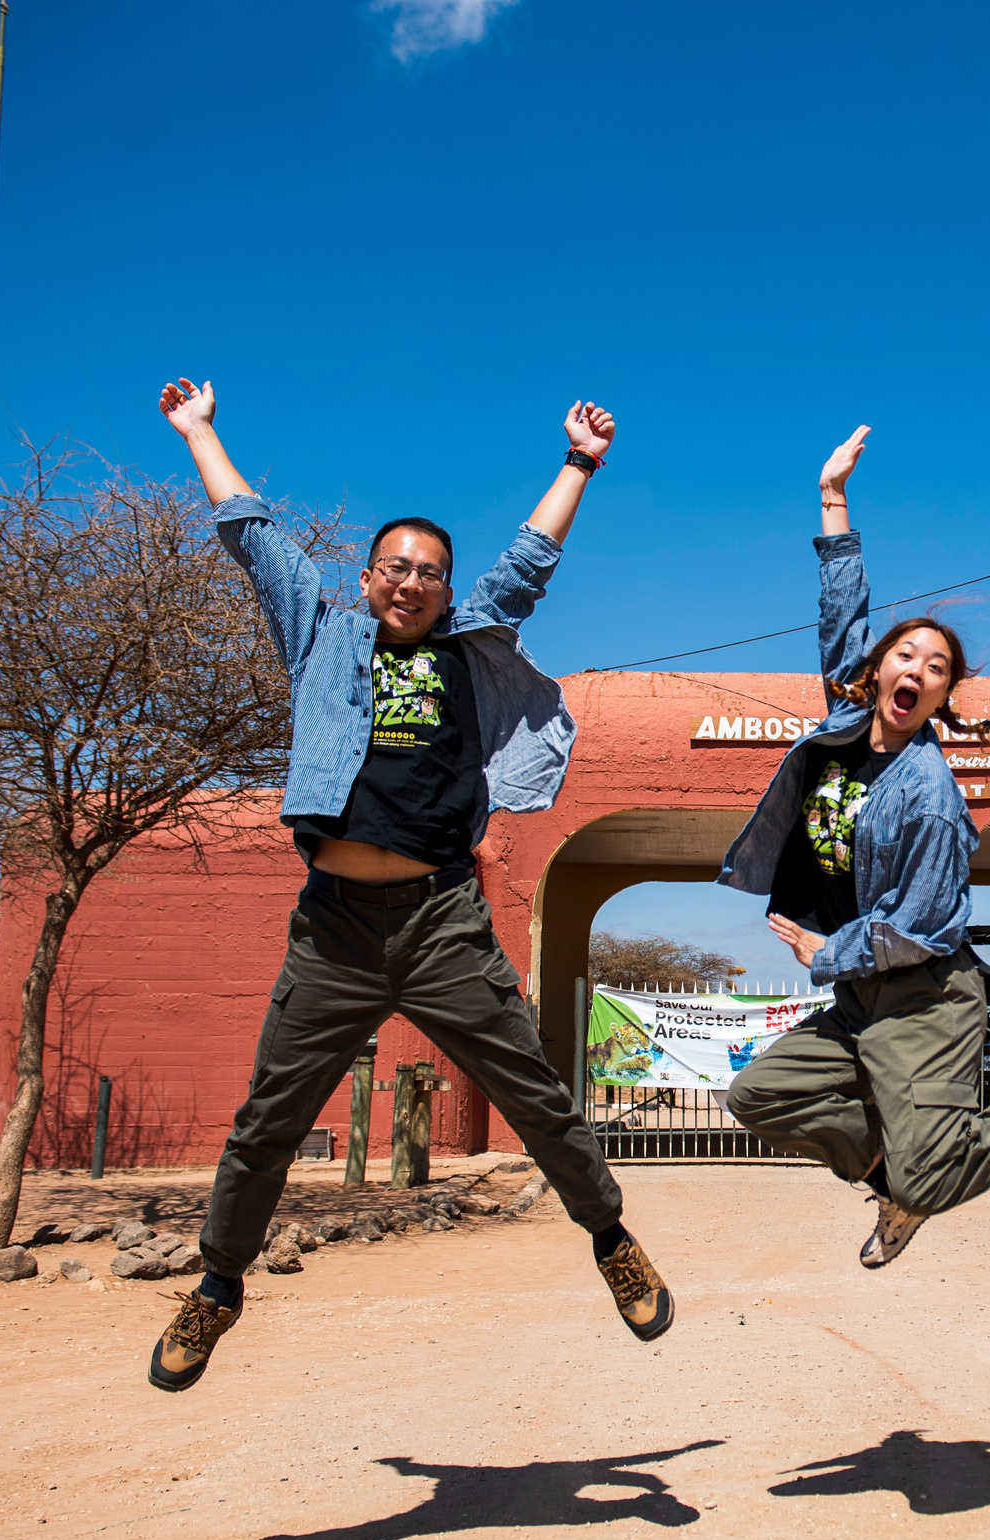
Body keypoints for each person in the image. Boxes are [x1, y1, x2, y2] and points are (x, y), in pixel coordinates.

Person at [144, 377, 670, 1395]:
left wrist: (578, 462)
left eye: (429, 571)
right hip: (333, 926)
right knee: (268, 1117)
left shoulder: (470, 649)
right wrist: (202, 432)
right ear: (368, 574)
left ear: (444, 587)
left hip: (439, 921)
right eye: (395, 566)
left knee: (535, 1094)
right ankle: (216, 1282)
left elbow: (528, 563)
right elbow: (256, 537)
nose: (411, 582)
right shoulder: (323, 638)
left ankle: (610, 1236)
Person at [717, 426, 990, 1269]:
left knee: (938, 1171)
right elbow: (842, 624)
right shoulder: (844, 723)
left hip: (925, 997)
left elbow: (917, 925)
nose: (916, 668)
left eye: (937, 666)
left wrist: (826, 948)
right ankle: (890, 1181)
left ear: (944, 693)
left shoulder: (931, 796)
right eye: (904, 655)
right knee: (758, 1092)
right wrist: (834, 502)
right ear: (879, 672)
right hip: (863, 1001)